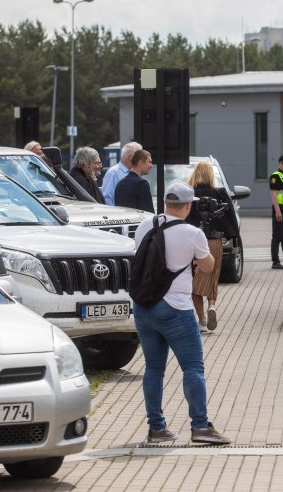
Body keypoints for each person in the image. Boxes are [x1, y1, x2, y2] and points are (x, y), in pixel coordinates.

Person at [132, 181, 230, 445]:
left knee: (153, 369)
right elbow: (209, 266)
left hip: (144, 307)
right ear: (187, 206)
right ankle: (200, 427)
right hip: (176, 309)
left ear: (165, 203)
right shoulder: (192, 232)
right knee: (193, 368)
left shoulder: (145, 225)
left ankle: (156, 429)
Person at [186, 160, 239, 332]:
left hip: (193, 240)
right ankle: (212, 306)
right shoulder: (221, 193)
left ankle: (201, 321)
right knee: (212, 275)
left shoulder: (189, 194)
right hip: (215, 240)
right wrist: (234, 237)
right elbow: (231, 216)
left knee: (195, 279)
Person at [102, 141, 143, 206]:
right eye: (140, 157)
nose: (142, 160)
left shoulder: (135, 172)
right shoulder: (113, 173)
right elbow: (107, 199)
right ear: (131, 157)